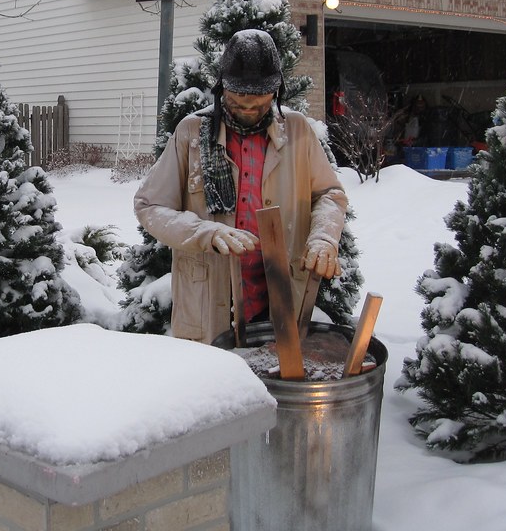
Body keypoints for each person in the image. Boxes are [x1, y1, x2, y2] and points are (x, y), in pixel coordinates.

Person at [134, 29, 348, 344]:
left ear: (276, 92)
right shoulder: (192, 134)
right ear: (222, 90)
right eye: (237, 102)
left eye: (259, 104)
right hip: (209, 299)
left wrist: (323, 239)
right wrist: (206, 232)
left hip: (277, 295)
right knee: (215, 389)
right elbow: (149, 206)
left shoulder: (298, 132)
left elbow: (330, 195)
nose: (248, 110)